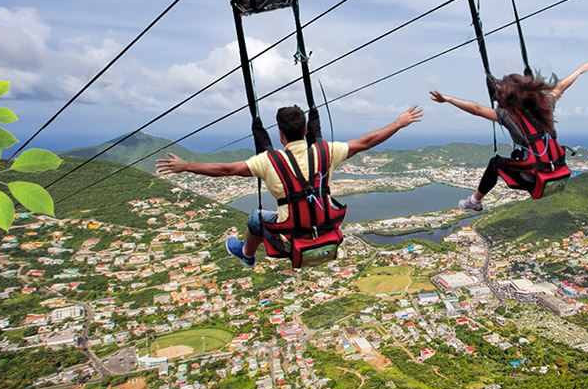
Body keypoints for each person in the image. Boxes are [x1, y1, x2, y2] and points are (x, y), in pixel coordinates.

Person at [156, 104, 423, 267]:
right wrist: (399, 123)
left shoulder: (268, 162)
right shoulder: (326, 152)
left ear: (281, 135)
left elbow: (226, 170)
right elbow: (367, 141)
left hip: (289, 240)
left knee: (255, 218)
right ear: (306, 132)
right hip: (326, 232)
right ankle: (251, 252)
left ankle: (247, 254)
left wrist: (187, 165)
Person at [429, 60, 588, 211]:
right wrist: (581, 70)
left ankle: (474, 201)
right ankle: (474, 201)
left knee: (495, 163)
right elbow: (561, 86)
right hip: (557, 167)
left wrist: (448, 99)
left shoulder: (509, 115)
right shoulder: (546, 103)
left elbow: (477, 109)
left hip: (532, 177)